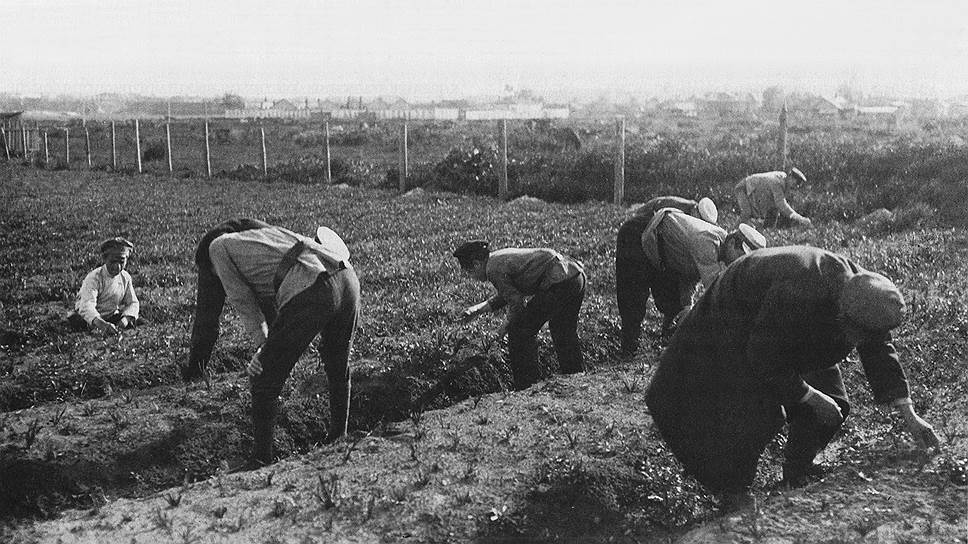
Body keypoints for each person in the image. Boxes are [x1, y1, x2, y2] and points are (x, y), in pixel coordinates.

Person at [645, 246, 941, 511]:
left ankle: (796, 469)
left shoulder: (866, 293)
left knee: (835, 405)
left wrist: (910, 415)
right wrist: (808, 395)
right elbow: (764, 357)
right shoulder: (798, 292)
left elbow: (878, 345)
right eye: (858, 335)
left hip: (793, 324)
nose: (860, 342)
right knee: (759, 411)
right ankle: (733, 492)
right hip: (736, 313)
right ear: (843, 318)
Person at [181, 219, 360, 470]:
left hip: (312, 287)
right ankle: (338, 436)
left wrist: (262, 351)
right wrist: (269, 344)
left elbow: (246, 306)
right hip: (347, 277)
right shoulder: (263, 237)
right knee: (338, 362)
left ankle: (261, 459)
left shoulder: (217, 249)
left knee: (263, 378)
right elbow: (276, 309)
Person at [617, 205, 766, 355]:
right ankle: (628, 351)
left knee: (675, 305)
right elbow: (716, 292)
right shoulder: (707, 243)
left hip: (664, 250)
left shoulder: (720, 244)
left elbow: (689, 275)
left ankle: (668, 345)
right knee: (633, 298)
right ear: (733, 244)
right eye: (740, 258)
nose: (737, 265)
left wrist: (688, 306)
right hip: (638, 234)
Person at [454, 241, 586, 390]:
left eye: (469, 272)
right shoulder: (496, 259)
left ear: (477, 264)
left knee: (519, 331)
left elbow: (516, 302)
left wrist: (503, 329)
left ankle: (527, 387)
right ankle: (576, 378)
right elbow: (510, 294)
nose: (471, 277)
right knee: (562, 330)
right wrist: (477, 310)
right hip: (574, 276)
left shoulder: (493, 269)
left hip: (559, 282)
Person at [66, 237, 141, 334]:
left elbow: (133, 303)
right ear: (105, 259)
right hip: (90, 318)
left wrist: (125, 320)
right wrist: (101, 324)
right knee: (78, 322)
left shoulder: (125, 278)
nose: (117, 266)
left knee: (138, 321)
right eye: (113, 261)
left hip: (111, 316)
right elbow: (86, 305)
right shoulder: (94, 278)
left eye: (122, 261)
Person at [734, 167, 811, 227]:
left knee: (759, 222)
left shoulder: (784, 180)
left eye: (798, 184)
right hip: (744, 188)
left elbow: (777, 205)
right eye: (796, 182)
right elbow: (781, 204)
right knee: (746, 213)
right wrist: (800, 218)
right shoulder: (777, 182)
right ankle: (729, 236)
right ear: (790, 176)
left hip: (753, 194)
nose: (796, 186)